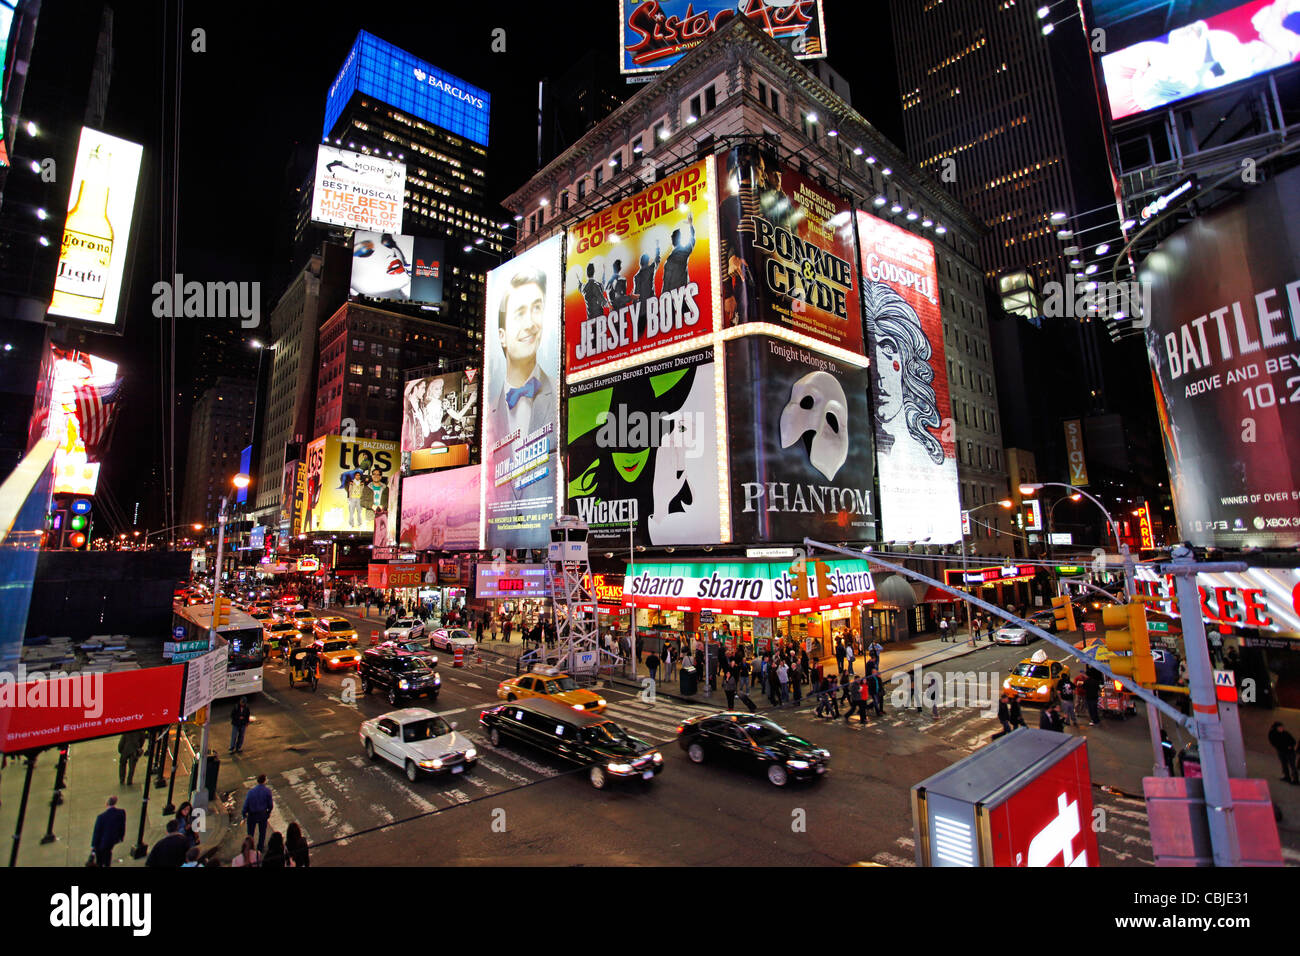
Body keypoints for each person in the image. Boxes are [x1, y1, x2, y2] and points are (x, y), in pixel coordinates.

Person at [90, 796, 126, 868]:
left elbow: (97, 832)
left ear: (106, 804)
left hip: (101, 842)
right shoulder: (121, 812)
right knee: (108, 854)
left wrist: (93, 845)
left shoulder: (101, 817)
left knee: (99, 861)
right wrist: (120, 837)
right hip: (112, 840)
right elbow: (122, 826)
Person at [241, 773, 274, 852]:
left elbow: (246, 805)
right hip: (262, 814)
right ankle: (260, 847)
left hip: (252, 815)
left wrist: (244, 814)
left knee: (250, 833)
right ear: (264, 781)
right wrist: (268, 812)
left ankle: (250, 847)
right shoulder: (267, 791)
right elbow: (270, 805)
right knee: (262, 832)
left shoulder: (251, 792)